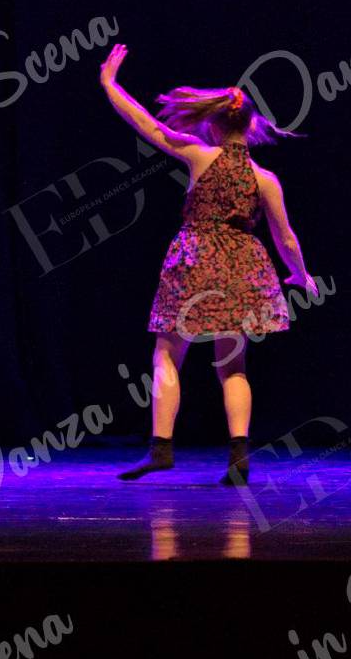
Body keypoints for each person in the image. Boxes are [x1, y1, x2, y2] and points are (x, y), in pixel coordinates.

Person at [97, 43, 318, 485]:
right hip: (242, 265)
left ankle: (161, 447)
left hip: (195, 258)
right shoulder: (265, 178)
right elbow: (286, 238)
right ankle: (239, 457)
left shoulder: (200, 156)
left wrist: (109, 83)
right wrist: (301, 274)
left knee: (167, 353)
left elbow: (147, 124)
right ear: (250, 125)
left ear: (214, 124)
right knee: (233, 366)